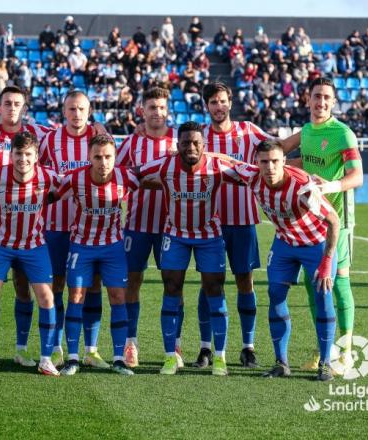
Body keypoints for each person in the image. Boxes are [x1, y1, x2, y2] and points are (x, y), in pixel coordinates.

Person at [223, 140, 340, 381]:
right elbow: (227, 162)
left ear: (284, 161)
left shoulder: (301, 187)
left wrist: (327, 261)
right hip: (285, 243)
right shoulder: (252, 176)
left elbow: (334, 220)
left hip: (315, 244)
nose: (270, 167)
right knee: (275, 294)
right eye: (264, 162)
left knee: (323, 297)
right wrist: (201, 152)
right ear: (256, 163)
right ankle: (281, 363)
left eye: (275, 161)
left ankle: (326, 363)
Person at [135, 121, 244, 376]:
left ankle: (220, 356)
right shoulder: (164, 165)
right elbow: (133, 173)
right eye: (186, 143)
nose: (191, 147)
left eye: (196, 143)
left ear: (204, 145)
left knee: (214, 290)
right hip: (175, 235)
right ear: (177, 145)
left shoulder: (217, 166)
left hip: (209, 236)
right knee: (172, 289)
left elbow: (250, 172)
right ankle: (171, 356)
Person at [282, 77, 363, 375]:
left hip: (337, 221)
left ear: (333, 101)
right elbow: (283, 151)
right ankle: (324, 345)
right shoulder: (305, 131)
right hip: (309, 221)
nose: (321, 102)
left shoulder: (343, 134)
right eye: (317, 96)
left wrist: (329, 186)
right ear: (308, 99)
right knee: (312, 283)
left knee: (339, 282)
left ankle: (347, 350)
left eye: (327, 97)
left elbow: (357, 177)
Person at [0, 132, 61, 377]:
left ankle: (45, 359)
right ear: (11, 155)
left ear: (36, 156)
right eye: (18, 154)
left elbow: (64, 189)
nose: (23, 159)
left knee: (46, 298)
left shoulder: (48, 176)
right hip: (0, 244)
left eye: (28, 154)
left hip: (34, 245)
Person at [197, 81, 273, 369]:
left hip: (243, 221)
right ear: (207, 106)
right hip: (208, 224)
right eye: (213, 102)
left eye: (223, 101)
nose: (219, 106)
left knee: (245, 282)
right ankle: (206, 348)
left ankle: (248, 346)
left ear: (231, 102)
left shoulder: (249, 132)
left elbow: (276, 149)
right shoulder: (199, 136)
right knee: (209, 285)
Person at [54, 134, 138, 376]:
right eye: (98, 157)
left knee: (118, 297)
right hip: (81, 245)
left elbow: (155, 178)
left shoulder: (125, 176)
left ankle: (119, 359)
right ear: (89, 157)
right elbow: (51, 196)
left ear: (115, 157)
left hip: (113, 247)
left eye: (108, 156)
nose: (103, 162)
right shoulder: (75, 178)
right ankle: (72, 358)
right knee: (76, 296)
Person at [37, 90, 107, 369]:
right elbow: (38, 173)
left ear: (89, 111)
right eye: (71, 109)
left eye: (81, 109)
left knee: (92, 287)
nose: (76, 114)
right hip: (56, 225)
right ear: (63, 111)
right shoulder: (51, 140)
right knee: (56, 286)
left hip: (92, 229)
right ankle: (55, 348)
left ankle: (91, 349)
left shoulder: (100, 138)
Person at [115, 87, 178, 368]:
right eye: (152, 107)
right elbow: (115, 176)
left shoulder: (179, 141)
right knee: (132, 283)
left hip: (173, 226)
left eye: (162, 107)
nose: (157, 112)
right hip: (137, 224)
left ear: (168, 109)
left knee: (173, 284)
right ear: (142, 110)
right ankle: (131, 342)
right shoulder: (131, 143)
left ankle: (174, 343)